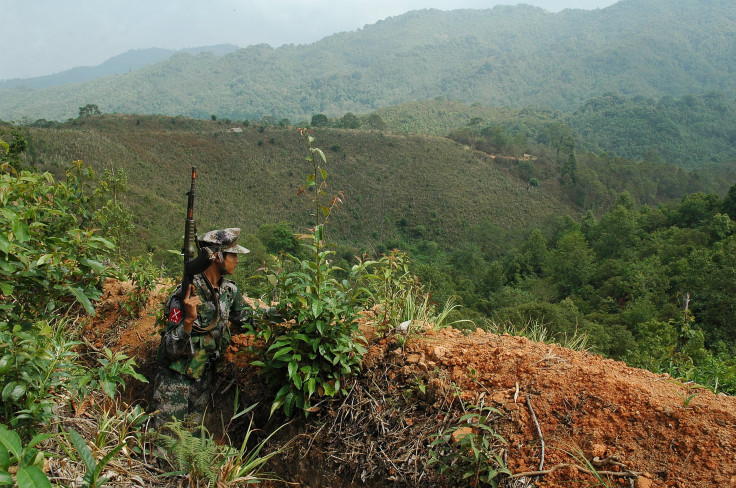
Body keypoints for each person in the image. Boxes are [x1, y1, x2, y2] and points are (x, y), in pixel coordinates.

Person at [150, 227, 259, 429]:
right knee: (165, 447)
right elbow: (170, 349)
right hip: (175, 384)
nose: (237, 260)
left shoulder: (228, 291)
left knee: (190, 448)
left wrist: (284, 318)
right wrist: (188, 322)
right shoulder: (185, 294)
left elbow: (248, 319)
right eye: (232, 255)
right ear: (217, 256)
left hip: (203, 383)